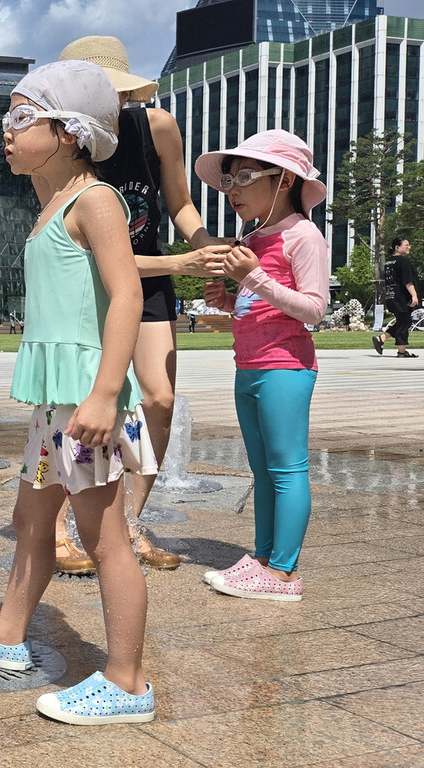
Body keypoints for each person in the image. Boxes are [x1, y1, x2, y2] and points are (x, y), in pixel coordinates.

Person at [0, 60, 158, 725]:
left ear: (68, 131)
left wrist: (105, 394)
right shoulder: (54, 202)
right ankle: (7, 635)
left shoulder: (95, 200)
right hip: (55, 399)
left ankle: (126, 682)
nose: (6, 131)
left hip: (84, 398)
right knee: (34, 520)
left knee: (104, 535)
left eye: (21, 118)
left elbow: (127, 297)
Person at [55, 36, 229, 571]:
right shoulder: (63, 144)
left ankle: (130, 523)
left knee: (160, 399)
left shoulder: (157, 126)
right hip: (87, 282)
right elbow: (87, 249)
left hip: (150, 280)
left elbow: (178, 203)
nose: (119, 104)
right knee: (76, 401)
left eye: (122, 94)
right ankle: (63, 524)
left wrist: (206, 246)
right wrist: (180, 264)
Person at [198, 129, 330, 601]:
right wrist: (230, 297)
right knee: (262, 470)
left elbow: (315, 309)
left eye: (245, 178)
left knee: (288, 469)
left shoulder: (304, 235)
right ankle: (262, 559)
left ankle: (284, 573)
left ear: (285, 180)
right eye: (229, 182)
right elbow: (263, 304)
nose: (233, 191)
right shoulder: (256, 237)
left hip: (286, 368)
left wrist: (250, 276)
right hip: (249, 366)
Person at [373, 237, 419, 358]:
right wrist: (414, 295)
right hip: (402, 298)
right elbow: (407, 281)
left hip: (391, 296)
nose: (409, 247)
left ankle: (381, 339)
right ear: (397, 247)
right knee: (404, 322)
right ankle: (401, 351)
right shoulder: (403, 262)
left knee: (403, 321)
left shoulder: (389, 262)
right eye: (406, 245)